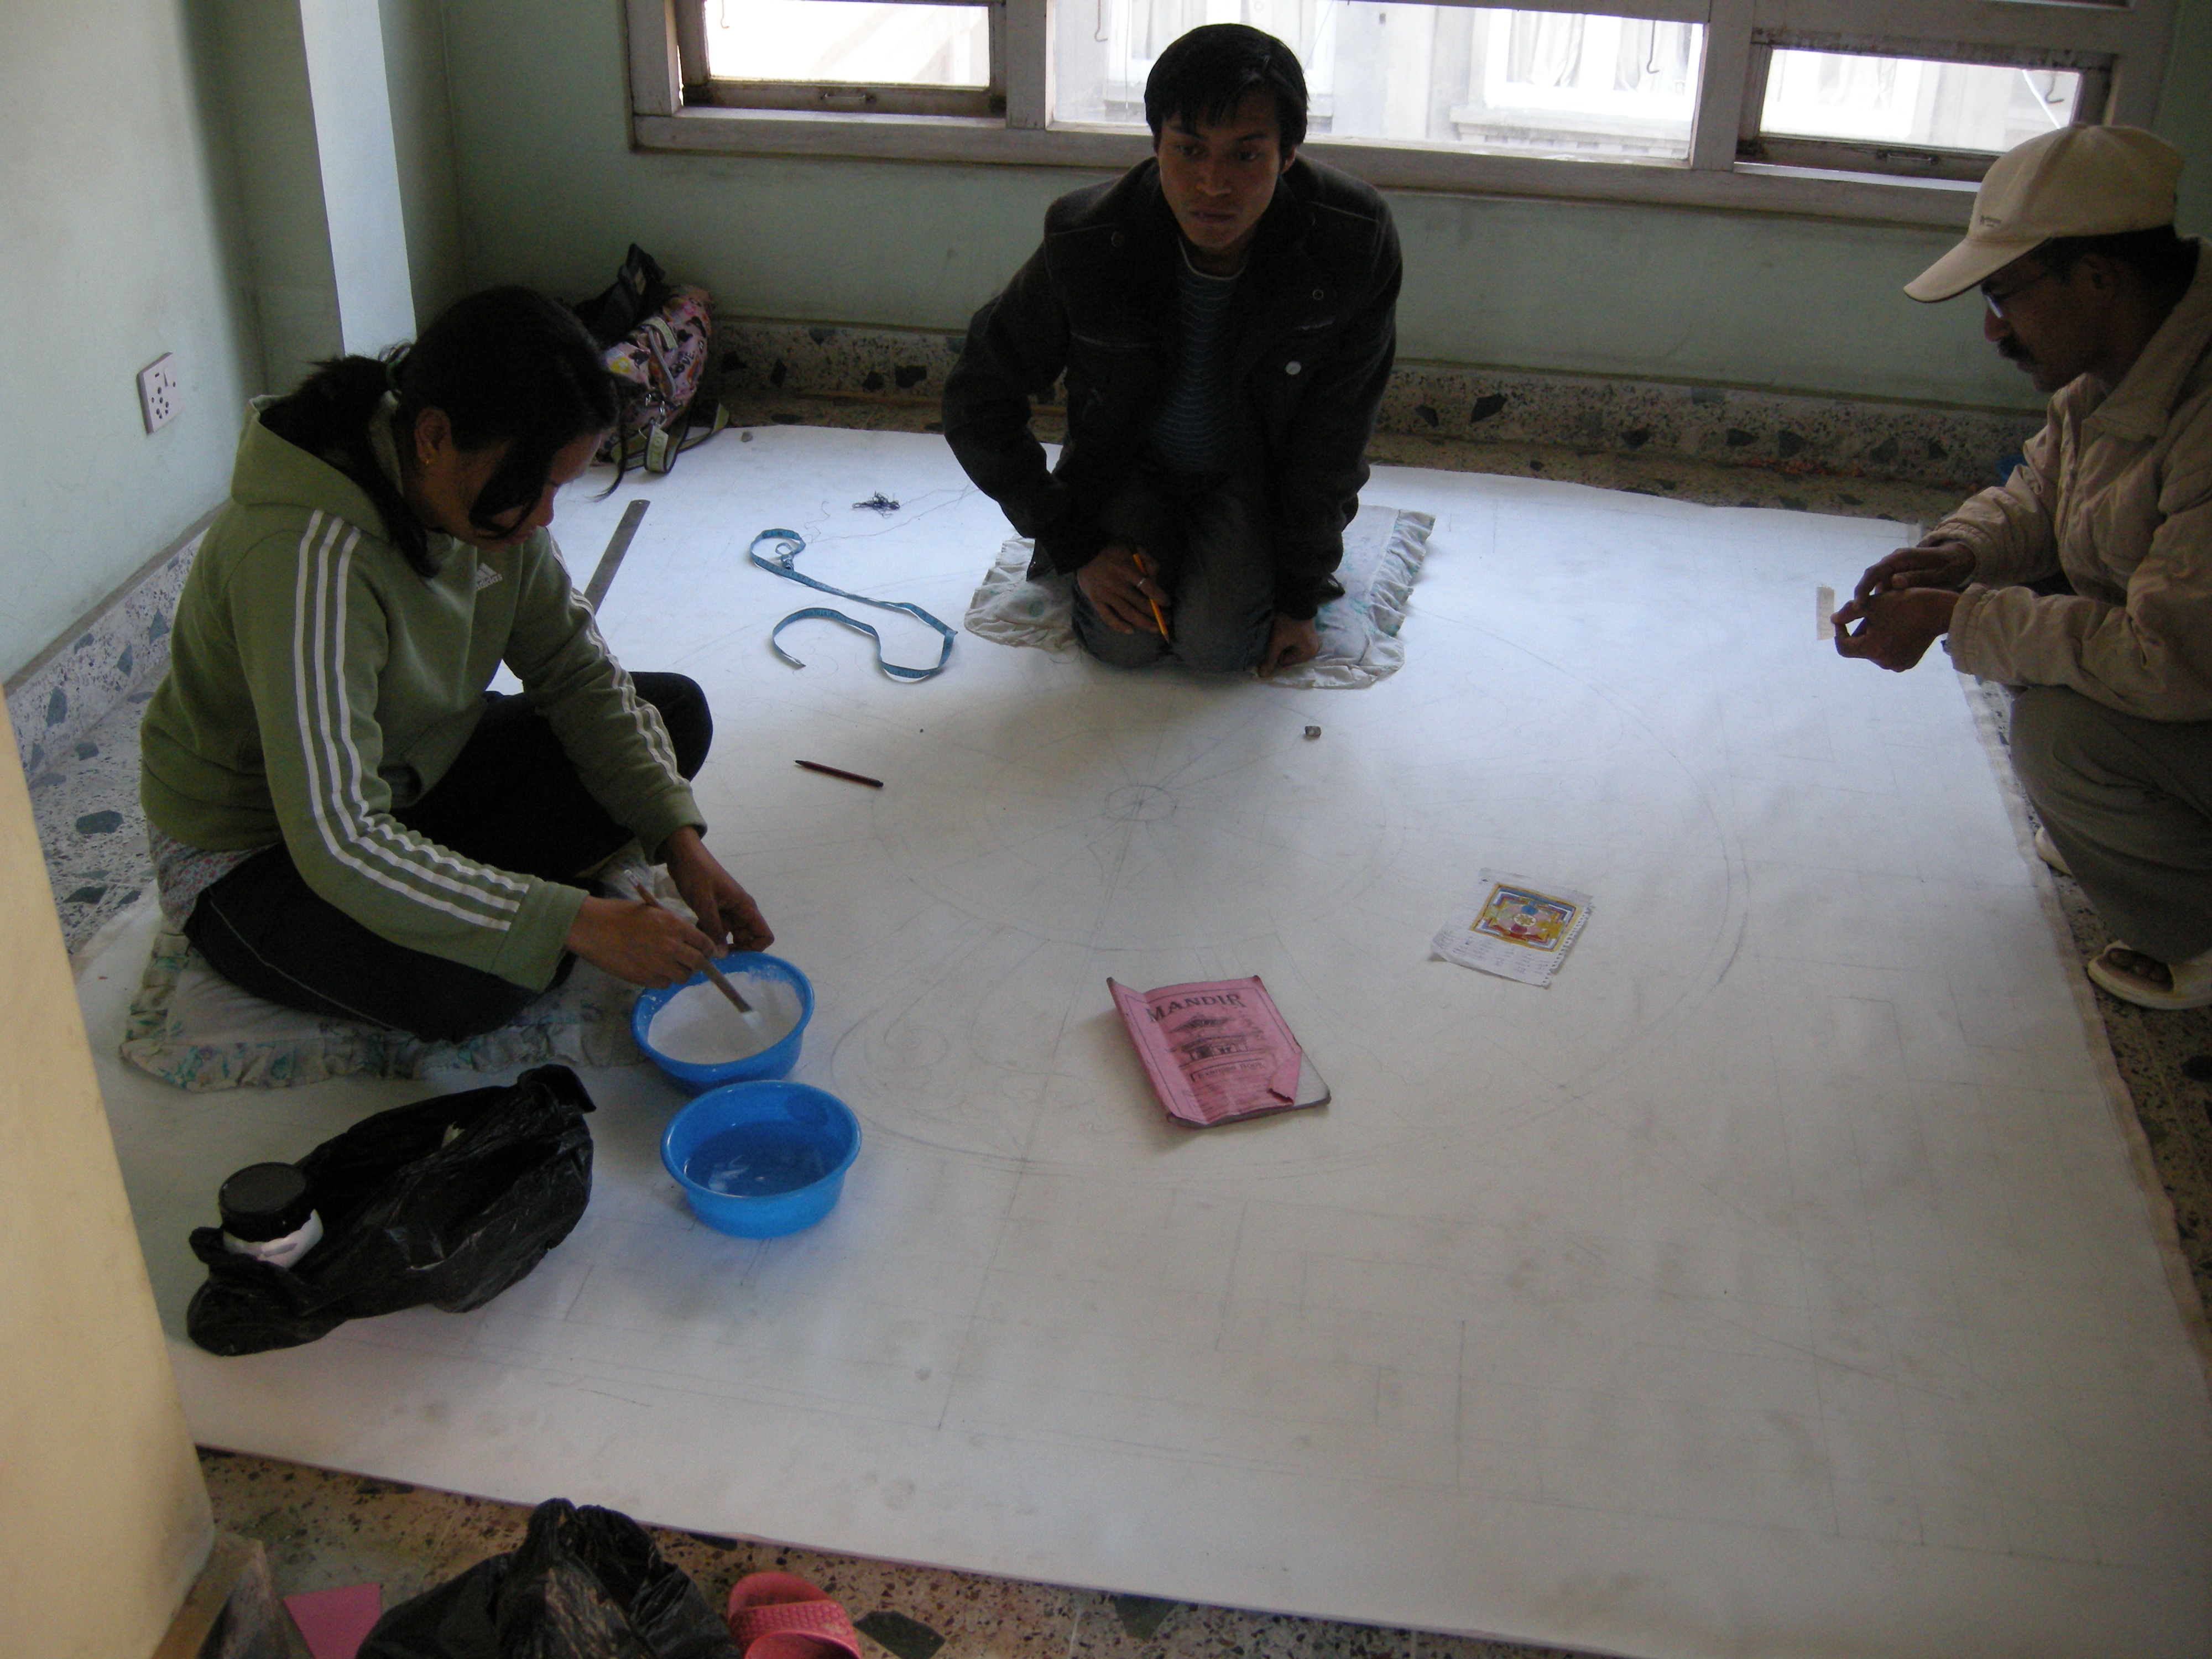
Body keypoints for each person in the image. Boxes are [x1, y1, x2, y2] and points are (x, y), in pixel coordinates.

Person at [139, 286, 772, 1044]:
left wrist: (679, 842)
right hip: (261, 853)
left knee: (672, 718)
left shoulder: (480, 496)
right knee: (476, 987)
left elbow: (576, 675)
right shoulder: (304, 558)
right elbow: (338, 836)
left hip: (412, 776)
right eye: (533, 487)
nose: (544, 518)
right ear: (434, 437)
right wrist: (570, 919)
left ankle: (471, 893)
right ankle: (486, 900)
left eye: (557, 489)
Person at [1830, 125, 2210, 1010]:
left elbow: (2170, 658)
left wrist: (1952, 620)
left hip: (2198, 670)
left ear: (2098, 277)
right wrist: (1958, 553)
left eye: (2005, 293)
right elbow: (2046, 492)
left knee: (2059, 738)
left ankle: (2194, 928)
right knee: (2023, 612)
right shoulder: (2125, 352)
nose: (1993, 328)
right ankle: (2126, 824)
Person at [941, 23, 1400, 677]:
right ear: (1156, 145)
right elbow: (977, 397)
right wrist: (1075, 544)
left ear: (1288, 154)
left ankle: (1230, 561)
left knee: (1219, 650)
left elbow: (1334, 439)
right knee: (1121, 643)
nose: (1213, 185)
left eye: (1246, 156)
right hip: (1129, 466)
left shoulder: (1352, 243)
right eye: (1189, 150)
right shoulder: (1087, 239)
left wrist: (1300, 597)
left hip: (1254, 472)